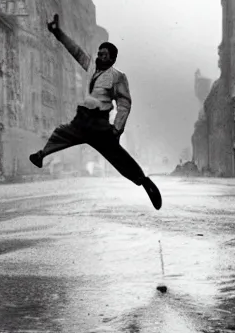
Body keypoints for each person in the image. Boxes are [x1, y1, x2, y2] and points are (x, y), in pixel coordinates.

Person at [31, 13, 163, 210]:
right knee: (61, 132)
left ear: (112, 58)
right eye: (99, 53)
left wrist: (116, 129)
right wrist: (58, 32)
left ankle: (144, 182)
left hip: (99, 124)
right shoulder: (92, 67)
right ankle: (41, 156)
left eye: (104, 55)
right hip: (82, 120)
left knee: (118, 157)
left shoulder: (118, 77)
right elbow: (75, 51)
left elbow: (124, 104)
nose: (100, 57)